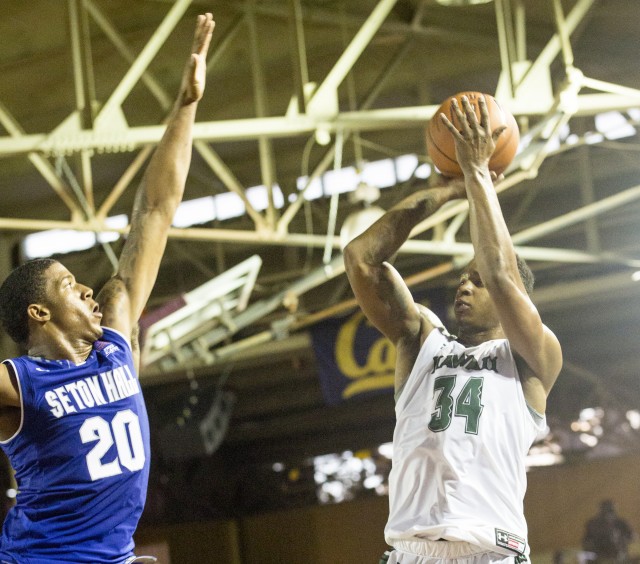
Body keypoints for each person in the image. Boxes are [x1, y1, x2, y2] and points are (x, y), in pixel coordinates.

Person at [0, 12, 214, 563]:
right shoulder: (18, 384)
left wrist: (186, 107)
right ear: (39, 313)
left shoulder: (115, 345)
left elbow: (156, 212)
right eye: (69, 285)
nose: (90, 292)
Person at [344, 95, 563, 564]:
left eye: (477, 281)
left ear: (513, 306)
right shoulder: (422, 339)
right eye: (463, 278)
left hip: (491, 552)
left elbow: (503, 274)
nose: (466, 285)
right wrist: (447, 191)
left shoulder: (533, 359)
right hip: (411, 553)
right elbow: (361, 259)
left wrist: (479, 173)